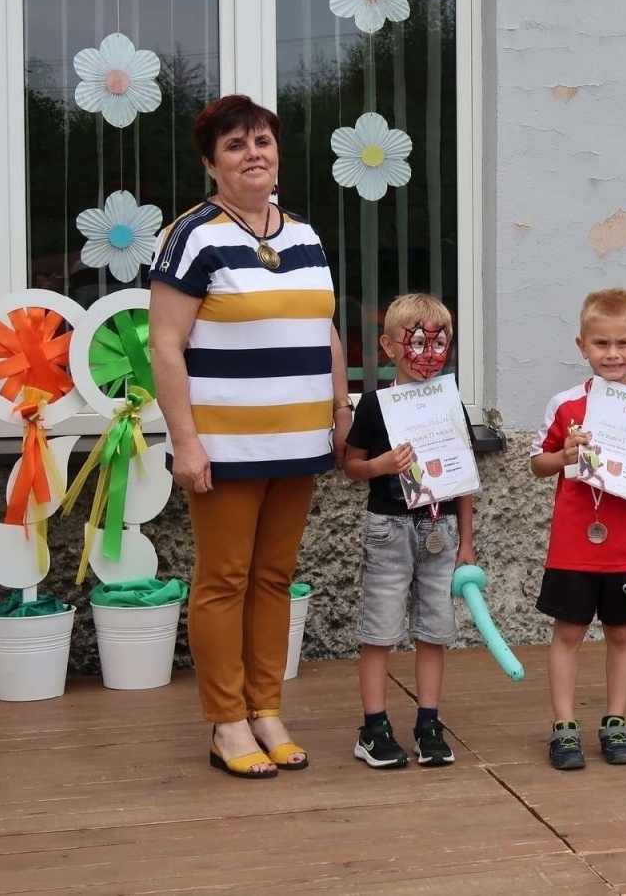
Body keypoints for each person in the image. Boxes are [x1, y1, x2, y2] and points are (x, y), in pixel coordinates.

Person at [150, 95, 351, 779]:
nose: (253, 153)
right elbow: (166, 346)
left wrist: (340, 409)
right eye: (235, 144)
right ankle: (227, 721)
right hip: (226, 447)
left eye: (262, 140)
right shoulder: (194, 236)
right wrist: (187, 443)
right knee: (223, 580)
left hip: (298, 442)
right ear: (212, 163)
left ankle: (267, 710)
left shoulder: (304, 235)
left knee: (274, 578)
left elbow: (322, 329)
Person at [529, 287, 626, 770]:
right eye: (601, 344)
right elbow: (538, 463)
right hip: (575, 548)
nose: (612, 354)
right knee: (568, 634)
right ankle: (563, 726)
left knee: (622, 635)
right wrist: (564, 456)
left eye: (623, 344)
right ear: (582, 346)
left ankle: (615, 721)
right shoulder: (565, 404)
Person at [343, 293, 477, 769]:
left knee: (434, 631)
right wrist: (380, 464)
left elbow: (464, 480)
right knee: (379, 630)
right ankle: (373, 727)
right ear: (389, 346)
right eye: (417, 341)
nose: (430, 354)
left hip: (438, 532)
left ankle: (428, 723)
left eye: (441, 343)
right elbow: (351, 464)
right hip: (389, 531)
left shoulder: (450, 403)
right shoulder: (377, 405)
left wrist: (468, 544)